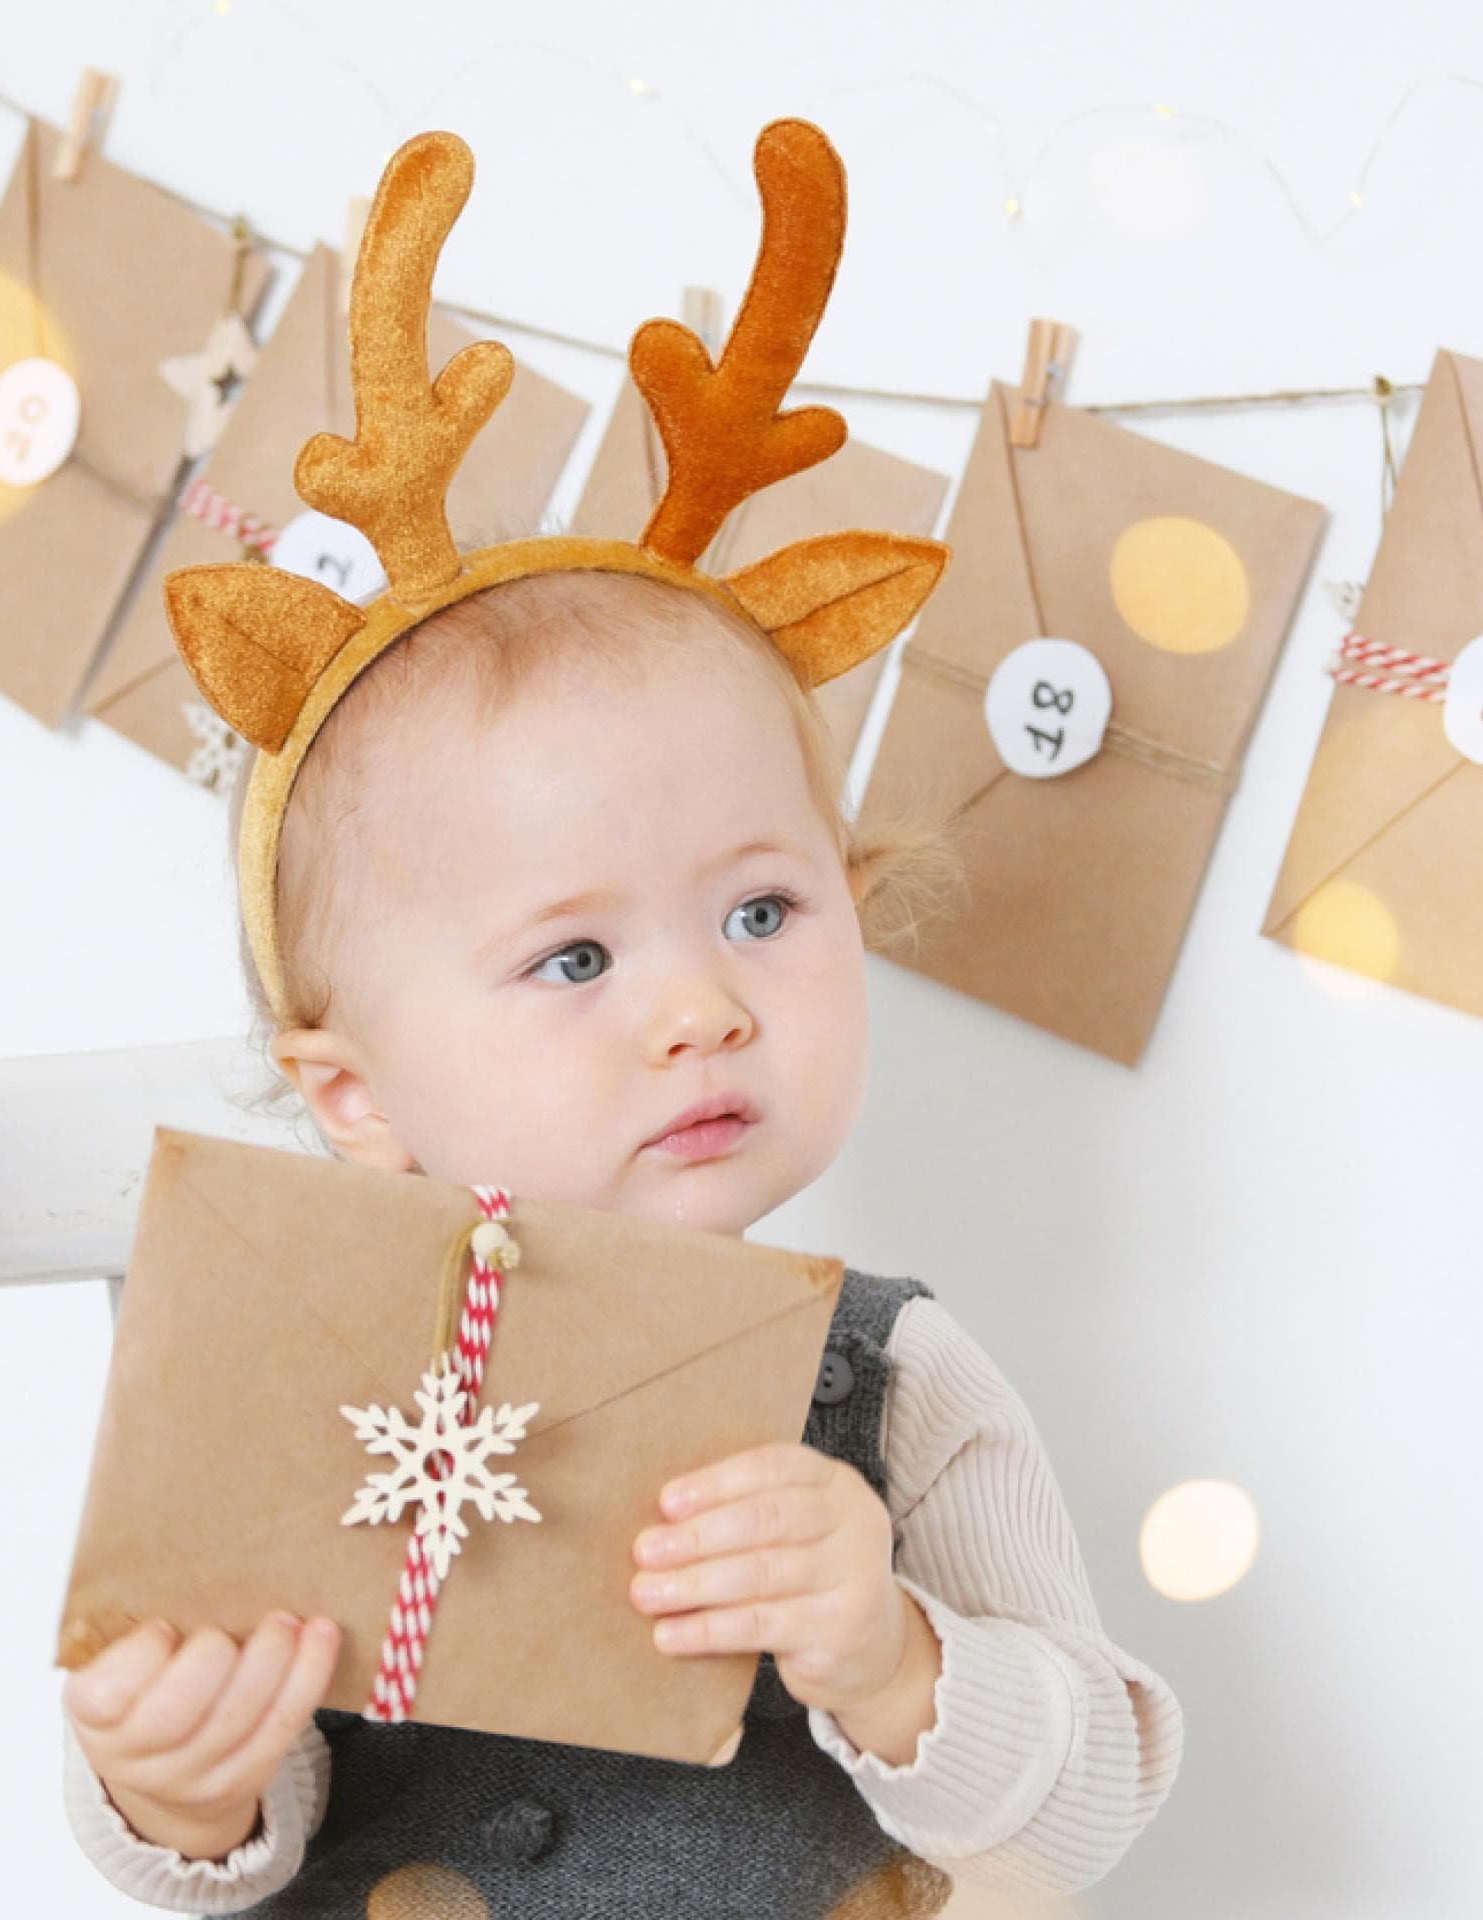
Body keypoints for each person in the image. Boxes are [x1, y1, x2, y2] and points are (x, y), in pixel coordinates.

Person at [60, 120, 1183, 1916]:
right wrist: (175, 1783)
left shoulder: (896, 1383)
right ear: (353, 1094)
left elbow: (1102, 1800)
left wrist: (896, 1655)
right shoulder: (298, 1362)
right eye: (575, 960)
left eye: (761, 910)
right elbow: (211, 1841)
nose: (701, 1009)